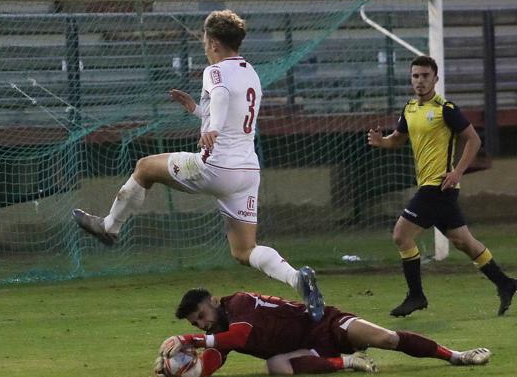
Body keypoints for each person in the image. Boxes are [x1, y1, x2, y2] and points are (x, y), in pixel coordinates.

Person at [72, 10, 324, 320]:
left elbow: (219, 97)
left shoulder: (215, 71)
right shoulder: (251, 73)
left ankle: (110, 227)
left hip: (215, 167)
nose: (204, 46)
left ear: (215, 43)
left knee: (145, 167)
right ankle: (298, 279)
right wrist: (196, 111)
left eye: (205, 41)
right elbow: (232, 111)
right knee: (244, 251)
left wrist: (211, 128)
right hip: (246, 172)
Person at [367, 55, 516, 317]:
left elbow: (473, 140)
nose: (420, 81)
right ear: (411, 79)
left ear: (435, 78)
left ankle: (416, 296)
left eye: (425, 76)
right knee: (463, 241)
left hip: (437, 186)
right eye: (416, 76)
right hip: (432, 187)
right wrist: (382, 142)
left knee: (401, 235)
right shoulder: (410, 109)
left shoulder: (446, 108)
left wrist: (457, 171)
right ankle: (506, 283)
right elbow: (398, 139)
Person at [154, 287, 491, 376]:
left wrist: (188, 340)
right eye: (194, 324)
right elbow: (211, 361)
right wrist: (181, 369)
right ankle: (348, 363)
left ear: (213, 301)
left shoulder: (239, 304)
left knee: (386, 338)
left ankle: (456, 356)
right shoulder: (219, 332)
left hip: (325, 324)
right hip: (305, 350)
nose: (201, 324)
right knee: (275, 367)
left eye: (201, 315)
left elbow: (238, 338)